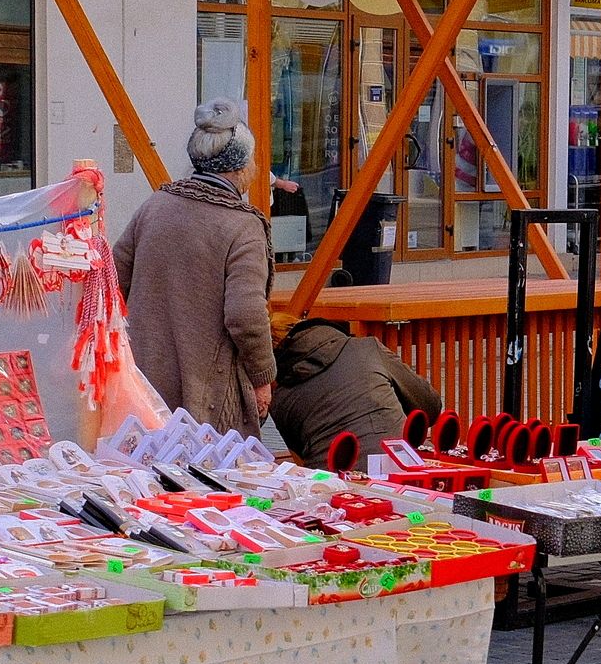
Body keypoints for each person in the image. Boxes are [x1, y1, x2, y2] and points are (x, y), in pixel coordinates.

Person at [112, 101, 277, 438]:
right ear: (239, 167)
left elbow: (113, 281)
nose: (257, 167)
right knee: (214, 485)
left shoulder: (154, 207)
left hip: (144, 387)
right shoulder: (242, 225)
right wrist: (262, 377)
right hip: (208, 398)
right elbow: (245, 315)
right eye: (253, 159)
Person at [268, 318, 441, 466]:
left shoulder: (280, 399)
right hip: (400, 467)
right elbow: (430, 406)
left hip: (333, 483)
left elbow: (302, 453)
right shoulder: (366, 349)